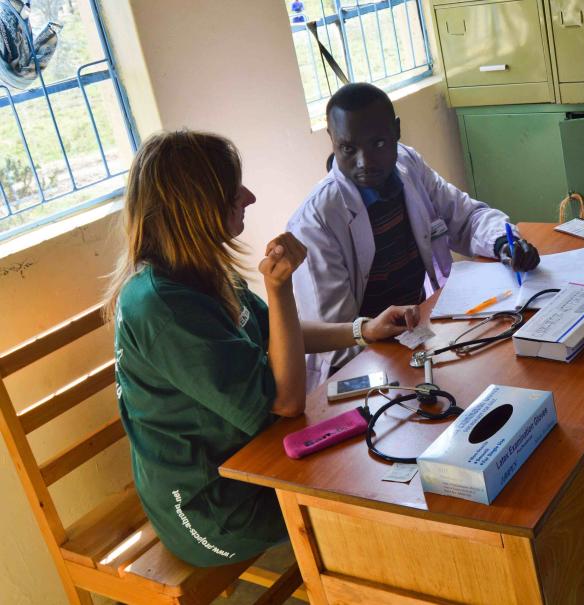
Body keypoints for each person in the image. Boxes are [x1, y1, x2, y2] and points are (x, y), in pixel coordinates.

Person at [104, 130, 415, 567]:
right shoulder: (161, 307)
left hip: (255, 462)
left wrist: (364, 329)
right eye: (233, 192)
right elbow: (287, 402)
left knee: (382, 445)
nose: (248, 197)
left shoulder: (196, 268)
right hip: (214, 508)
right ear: (195, 206)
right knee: (374, 490)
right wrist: (279, 287)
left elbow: (277, 336)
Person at [289, 83, 541, 390]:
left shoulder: (408, 165)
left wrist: (504, 243)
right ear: (332, 140)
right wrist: (406, 360)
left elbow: (468, 217)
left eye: (378, 143)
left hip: (419, 333)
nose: (364, 161)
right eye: (348, 149)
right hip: (368, 364)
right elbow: (339, 339)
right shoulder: (316, 221)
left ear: (396, 131)